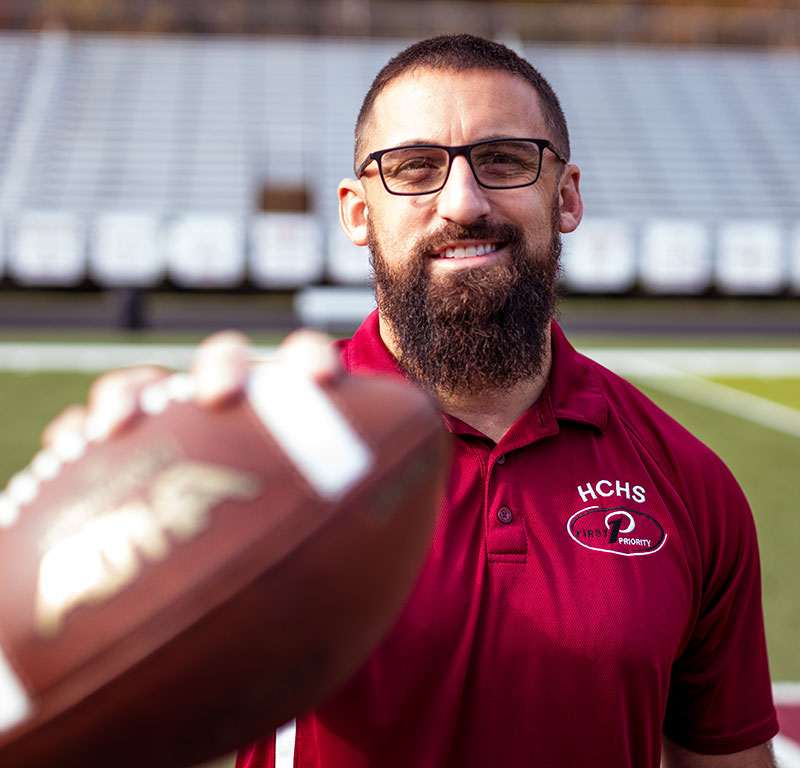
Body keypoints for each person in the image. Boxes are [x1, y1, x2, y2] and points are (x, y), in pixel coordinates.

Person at [46, 34, 778, 768]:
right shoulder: (252, 454)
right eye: (415, 168)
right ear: (357, 212)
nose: (462, 203)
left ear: (568, 196)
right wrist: (75, 556)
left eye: (503, 160)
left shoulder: (690, 482)